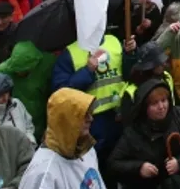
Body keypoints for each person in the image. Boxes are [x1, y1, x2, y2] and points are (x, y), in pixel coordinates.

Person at [50, 31, 131, 165]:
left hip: (119, 117)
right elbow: (61, 93)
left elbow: (130, 74)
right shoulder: (70, 53)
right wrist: (87, 71)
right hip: (91, 123)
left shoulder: (114, 41)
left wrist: (131, 54)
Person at [107, 80, 180, 188]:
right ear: (144, 108)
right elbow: (113, 164)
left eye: (164, 100)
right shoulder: (133, 132)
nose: (161, 107)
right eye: (154, 103)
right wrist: (139, 168)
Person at [19, 89, 105, 189]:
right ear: (66, 120)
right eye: (83, 115)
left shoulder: (86, 149)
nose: (90, 119)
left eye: (89, 113)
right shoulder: (43, 172)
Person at [121, 41, 174, 122]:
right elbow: (128, 122)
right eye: (158, 63)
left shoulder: (167, 77)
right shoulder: (132, 91)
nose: (163, 64)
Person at [0, 73, 36, 144]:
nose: (5, 98)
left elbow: (29, 125)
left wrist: (30, 139)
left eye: (6, 92)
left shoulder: (16, 103)